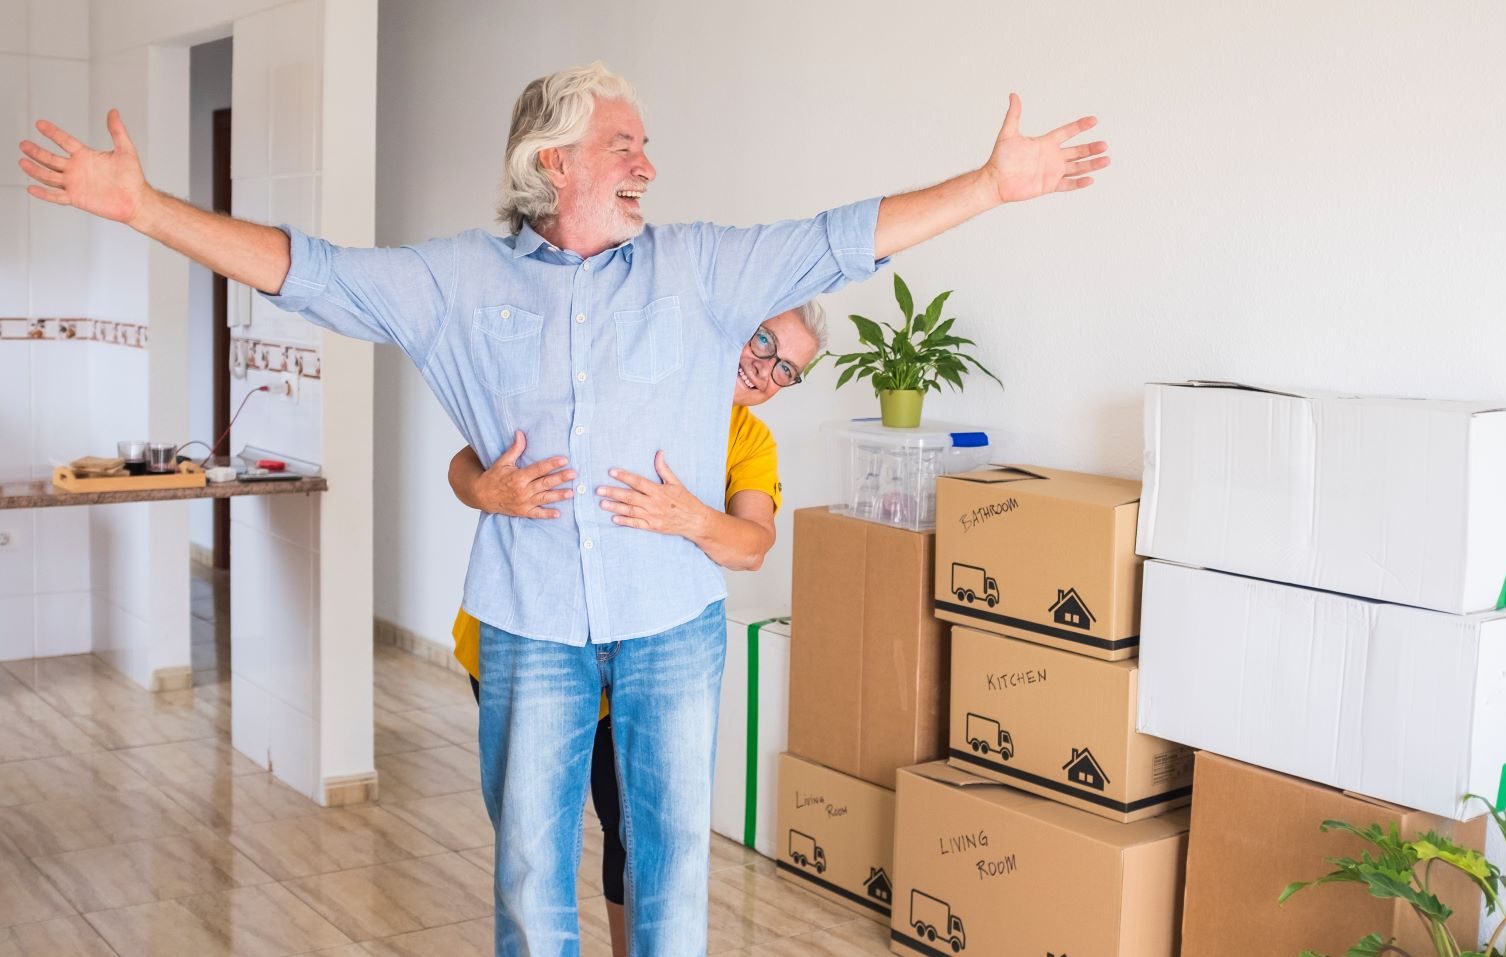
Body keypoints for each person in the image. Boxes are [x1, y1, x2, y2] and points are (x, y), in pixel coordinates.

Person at [17, 61, 1108, 956]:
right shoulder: (455, 282)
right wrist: (143, 207)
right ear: (555, 159)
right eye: (624, 145)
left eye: (643, 147)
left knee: (673, 873)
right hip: (528, 624)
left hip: (672, 626)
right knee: (531, 876)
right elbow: (310, 272)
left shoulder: (702, 269)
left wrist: (988, 185)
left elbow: (841, 235)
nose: (647, 164)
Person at [449, 305, 820, 957]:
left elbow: (751, 543)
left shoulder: (748, 440)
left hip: (639, 665)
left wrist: (689, 516)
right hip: (532, 645)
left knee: (636, 836)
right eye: (762, 339)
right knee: (535, 845)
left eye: (785, 368)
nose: (763, 367)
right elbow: (469, 458)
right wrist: (485, 491)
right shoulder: (620, 376)